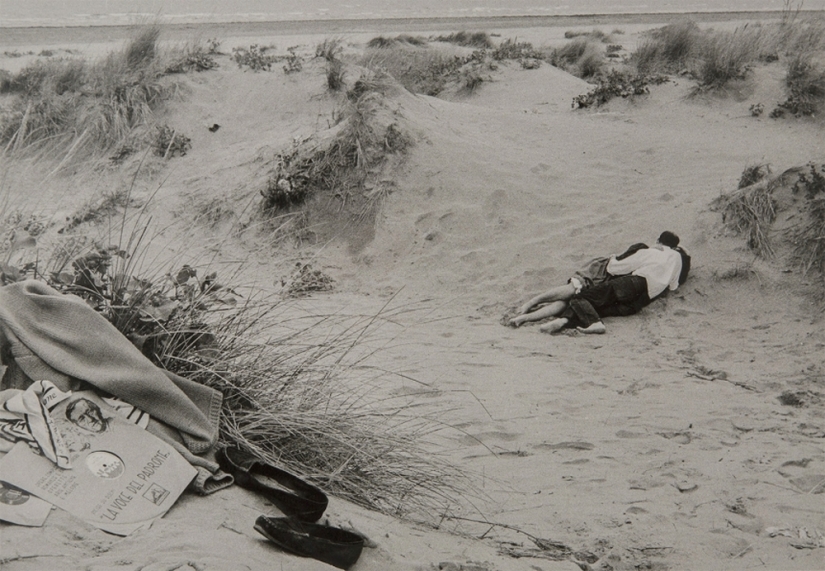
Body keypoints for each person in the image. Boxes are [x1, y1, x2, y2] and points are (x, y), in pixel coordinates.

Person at [509, 232, 689, 327]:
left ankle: (527, 316)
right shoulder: (658, 254)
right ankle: (530, 307)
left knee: (572, 299)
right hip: (607, 272)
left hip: (611, 274)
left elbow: (620, 265)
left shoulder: (647, 250)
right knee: (573, 292)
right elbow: (618, 264)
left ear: (659, 241)